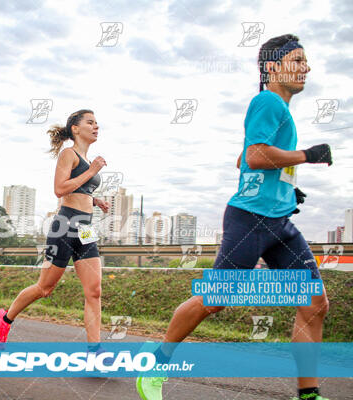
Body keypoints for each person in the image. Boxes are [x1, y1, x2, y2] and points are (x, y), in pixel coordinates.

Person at [136, 34, 332, 400]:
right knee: (215, 298)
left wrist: (286, 187)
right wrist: (306, 155)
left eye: (307, 61)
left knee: (315, 302)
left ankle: (308, 394)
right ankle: (158, 360)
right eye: (297, 60)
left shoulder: (280, 110)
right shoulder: (267, 101)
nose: (306, 67)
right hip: (250, 222)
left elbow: (242, 160)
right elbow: (256, 155)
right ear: (272, 67)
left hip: (279, 223)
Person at [0, 109, 110, 353]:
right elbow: (59, 188)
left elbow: (80, 189)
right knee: (45, 288)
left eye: (97, 123)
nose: (96, 126)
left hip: (86, 229)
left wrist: (94, 201)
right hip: (64, 227)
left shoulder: (87, 160)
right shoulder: (69, 154)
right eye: (90, 122)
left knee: (94, 291)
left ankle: (94, 352)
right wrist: (92, 171)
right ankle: (5, 319)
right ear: (76, 129)